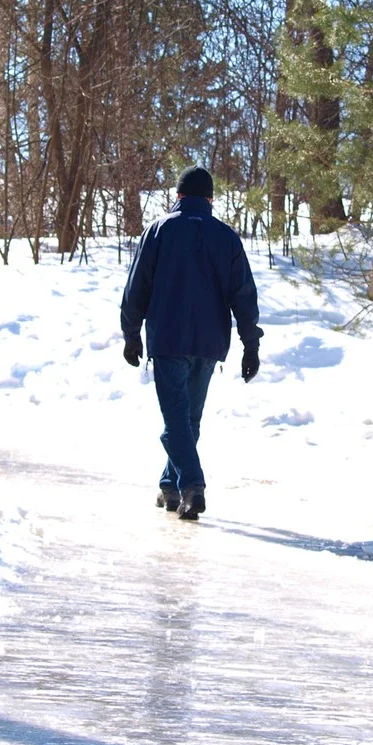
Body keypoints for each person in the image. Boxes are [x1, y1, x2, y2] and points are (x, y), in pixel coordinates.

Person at [120, 165, 262, 521]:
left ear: (179, 196)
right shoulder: (227, 238)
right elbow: (244, 295)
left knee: (176, 422)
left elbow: (137, 287)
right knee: (190, 420)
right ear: (210, 199)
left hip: (168, 340)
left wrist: (131, 333)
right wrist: (250, 344)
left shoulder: (159, 230)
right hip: (209, 343)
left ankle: (192, 486)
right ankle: (170, 486)